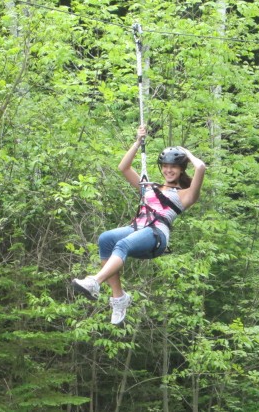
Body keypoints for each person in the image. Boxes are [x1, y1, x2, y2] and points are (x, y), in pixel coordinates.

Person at [71, 125, 206, 325]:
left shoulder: (185, 195)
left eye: (174, 167)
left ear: (181, 169)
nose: (168, 170)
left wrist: (186, 152)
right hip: (137, 228)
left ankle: (95, 281)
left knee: (122, 244)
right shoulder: (149, 188)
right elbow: (123, 168)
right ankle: (119, 298)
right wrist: (137, 142)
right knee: (105, 239)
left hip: (156, 235)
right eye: (165, 166)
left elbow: (201, 167)